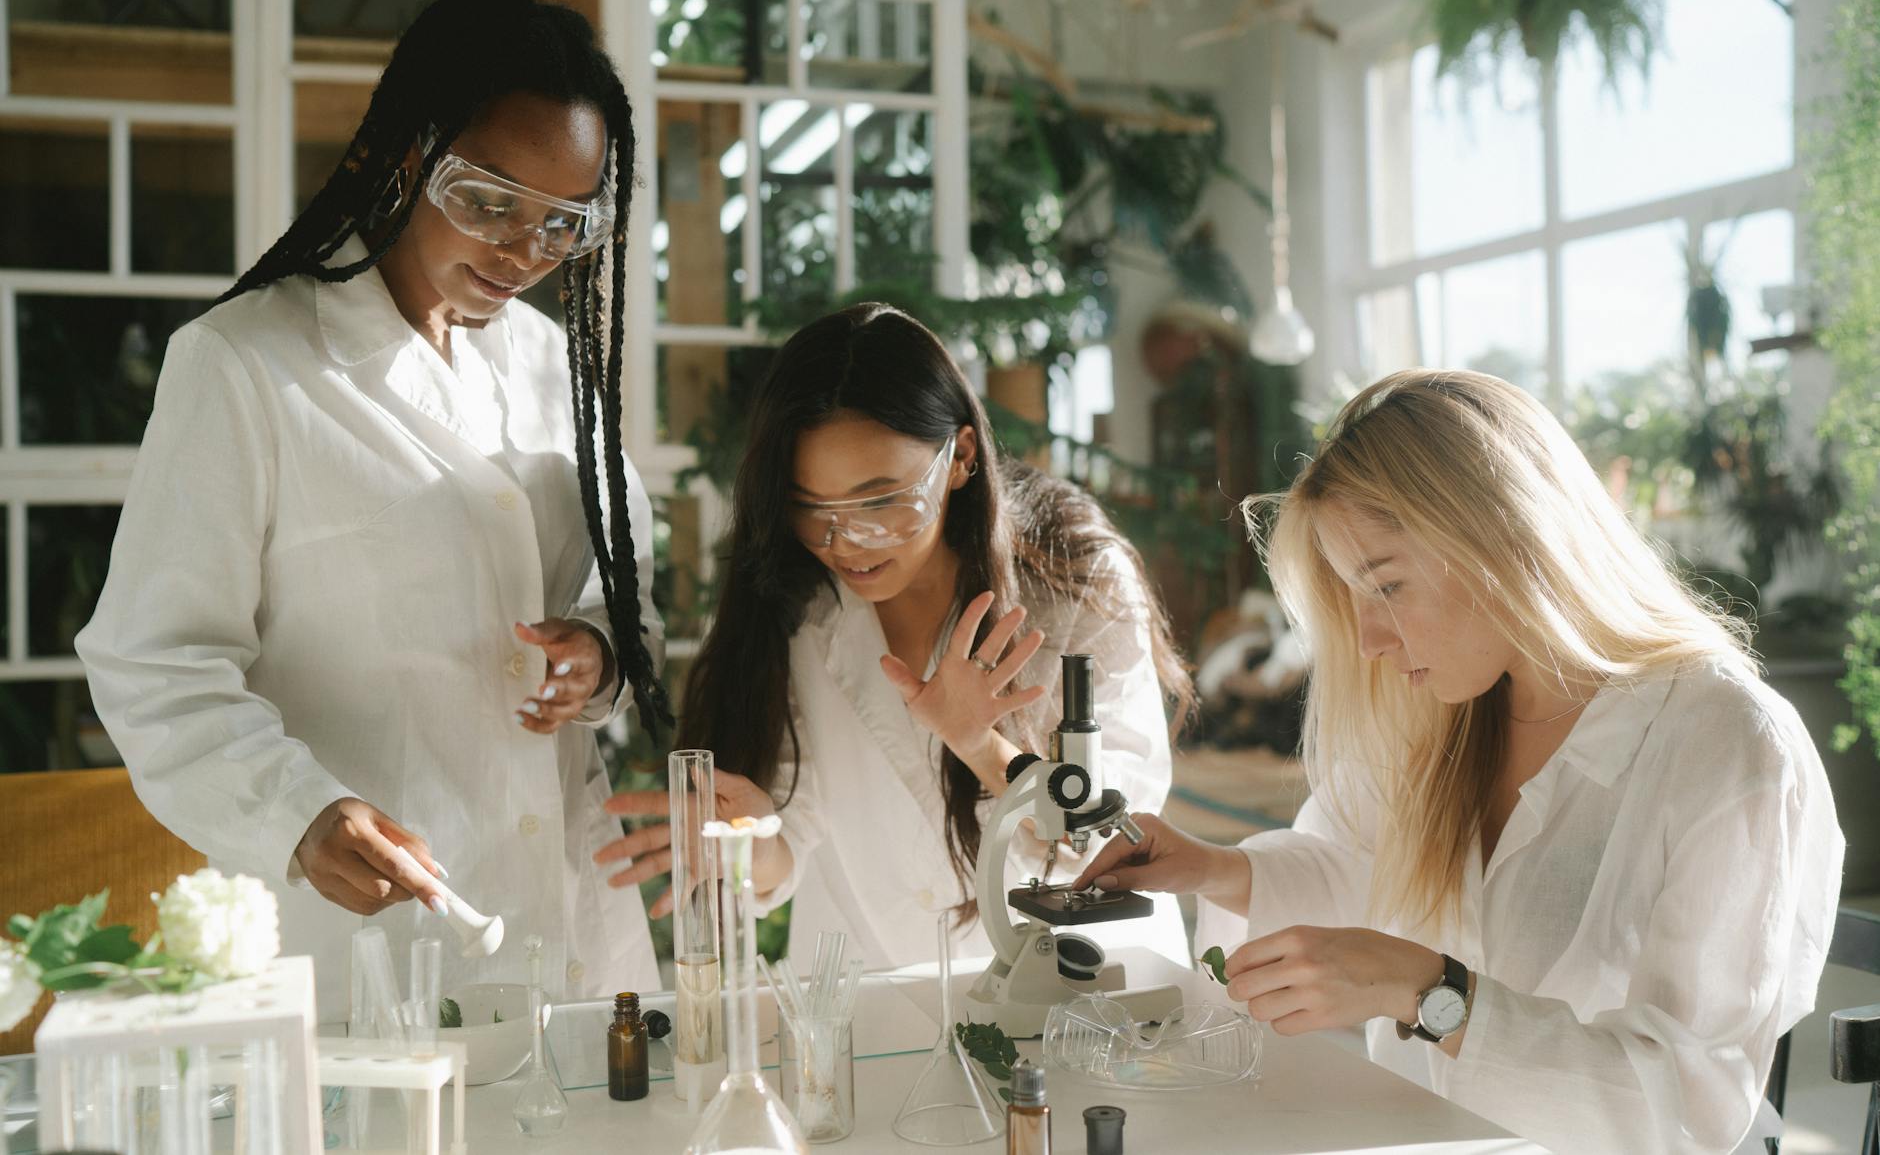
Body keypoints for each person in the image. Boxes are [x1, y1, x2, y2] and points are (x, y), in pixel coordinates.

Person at [76, 0, 668, 1020]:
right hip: (374, 932)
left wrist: (600, 654)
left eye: (560, 224)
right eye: (490, 201)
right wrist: (298, 812)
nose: (522, 253)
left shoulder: (552, 365)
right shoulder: (246, 364)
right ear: (405, 156)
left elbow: (628, 592)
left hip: (574, 918)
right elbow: (155, 663)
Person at [1073, 368, 1844, 1154]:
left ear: (1501, 538)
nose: (1369, 640)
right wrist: (1212, 868)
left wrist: (1430, 990)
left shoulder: (1724, 743)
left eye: (1387, 587)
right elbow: (1358, 866)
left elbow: (1686, 1106)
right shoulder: (1445, 711)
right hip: (1424, 1136)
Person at [596, 303, 1195, 969]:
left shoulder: (1077, 578)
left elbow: (1115, 836)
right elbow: (793, 833)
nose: (846, 542)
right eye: (812, 508)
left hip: (1078, 983)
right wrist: (753, 844)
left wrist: (980, 744)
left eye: (881, 502)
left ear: (961, 455)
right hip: (874, 987)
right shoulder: (797, 601)